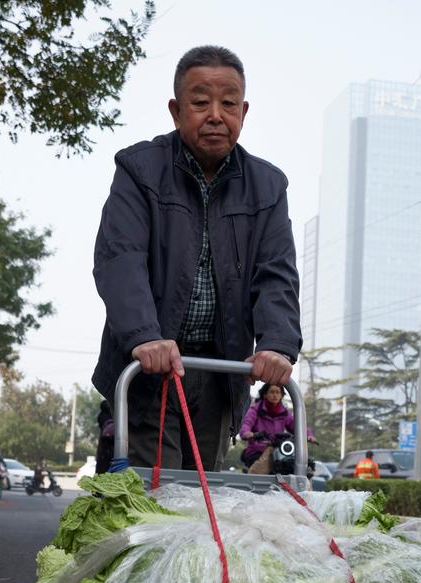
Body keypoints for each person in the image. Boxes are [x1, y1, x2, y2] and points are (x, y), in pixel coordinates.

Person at [91, 45, 301, 473]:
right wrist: (144, 336)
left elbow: (276, 272)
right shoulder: (140, 170)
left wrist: (277, 344)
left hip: (220, 369)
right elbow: (120, 258)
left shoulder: (267, 186)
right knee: (157, 495)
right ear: (176, 110)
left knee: (204, 497)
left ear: (243, 110)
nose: (215, 115)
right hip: (152, 365)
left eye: (228, 104)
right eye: (201, 102)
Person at [238, 383, 315, 472]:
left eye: (278, 392)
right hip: (258, 451)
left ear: (282, 396)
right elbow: (246, 423)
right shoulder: (255, 409)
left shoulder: (284, 412)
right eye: (272, 392)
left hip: (279, 450)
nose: (275, 395)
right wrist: (247, 433)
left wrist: (308, 435)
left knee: (295, 465)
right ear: (265, 394)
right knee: (261, 469)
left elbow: (297, 426)